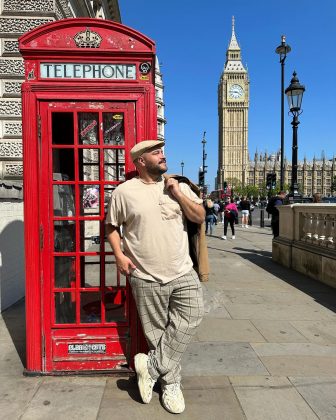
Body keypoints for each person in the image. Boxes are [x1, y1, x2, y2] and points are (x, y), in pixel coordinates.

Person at [105, 140, 205, 414]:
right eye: (156, 152)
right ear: (140, 161)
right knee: (157, 334)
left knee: (193, 316)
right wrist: (118, 254)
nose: (163, 156)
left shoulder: (178, 185)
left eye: (162, 151)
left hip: (182, 270)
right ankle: (171, 385)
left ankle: (149, 367)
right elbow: (111, 227)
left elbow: (199, 216)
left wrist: (178, 194)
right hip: (145, 275)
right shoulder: (124, 193)